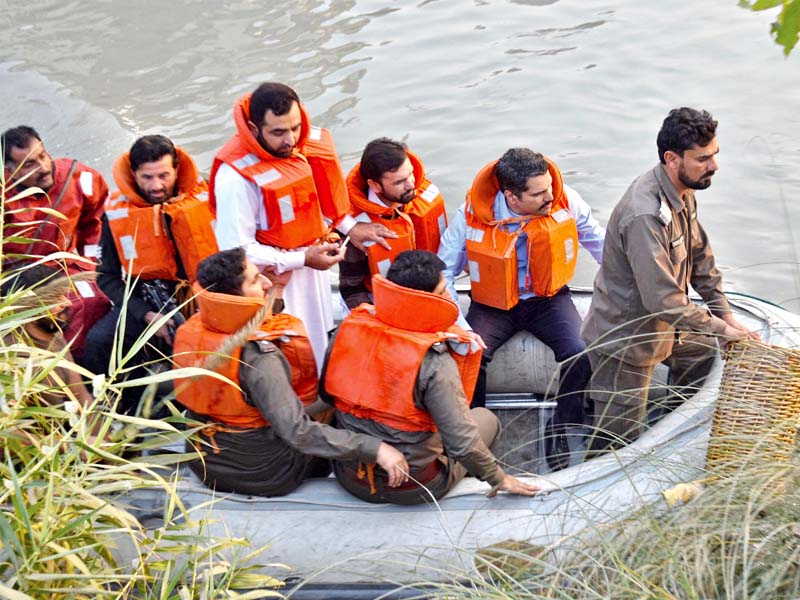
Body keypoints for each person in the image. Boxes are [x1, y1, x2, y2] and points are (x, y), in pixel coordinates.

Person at [581, 107, 758, 454]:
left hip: (667, 330)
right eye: (703, 158)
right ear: (672, 159)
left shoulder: (684, 190)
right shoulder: (644, 214)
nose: (714, 166)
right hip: (626, 343)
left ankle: (668, 433)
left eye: (715, 155)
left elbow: (701, 260)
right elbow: (662, 300)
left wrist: (726, 316)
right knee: (615, 443)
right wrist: (723, 331)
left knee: (703, 352)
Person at [171, 247, 409, 497]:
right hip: (264, 473)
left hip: (206, 462)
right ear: (233, 297)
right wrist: (374, 448)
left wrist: (277, 292)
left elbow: (242, 318)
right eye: (255, 280)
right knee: (342, 405)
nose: (265, 281)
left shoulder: (194, 328)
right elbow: (298, 433)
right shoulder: (259, 359)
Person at [321, 250, 539, 504]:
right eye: (443, 291)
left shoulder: (345, 330)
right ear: (423, 300)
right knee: (486, 419)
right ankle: (471, 492)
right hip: (412, 487)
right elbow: (463, 444)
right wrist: (499, 478)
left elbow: (326, 395)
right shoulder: (434, 361)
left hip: (351, 477)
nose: (449, 298)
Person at [210, 82, 397, 372]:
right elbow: (237, 251)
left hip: (313, 268)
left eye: (295, 128)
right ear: (253, 127)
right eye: (278, 132)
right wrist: (301, 259)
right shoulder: (234, 179)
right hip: (273, 283)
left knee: (318, 341)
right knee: (292, 354)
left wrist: (349, 227)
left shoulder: (298, 145)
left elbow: (315, 196)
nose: (291, 140)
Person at [437, 148, 604, 471]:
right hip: (494, 305)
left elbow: (599, 243)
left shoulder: (564, 200)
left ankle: (561, 424)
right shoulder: (471, 213)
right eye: (539, 193)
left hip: (547, 299)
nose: (550, 197)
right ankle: (475, 432)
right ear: (512, 197)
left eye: (549, 188)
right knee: (469, 354)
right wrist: (460, 325)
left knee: (579, 351)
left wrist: (625, 284)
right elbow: (444, 269)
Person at [83, 135, 217, 413]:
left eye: (163, 175)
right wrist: (146, 314)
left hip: (201, 300)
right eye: (147, 177)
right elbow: (106, 277)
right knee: (99, 342)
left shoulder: (208, 200)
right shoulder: (115, 213)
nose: (156, 186)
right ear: (133, 174)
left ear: (177, 169)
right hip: (147, 303)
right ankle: (126, 412)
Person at [1, 125, 111, 362]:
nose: (42, 167)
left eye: (42, 156)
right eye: (29, 164)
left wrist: (89, 263)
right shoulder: (4, 199)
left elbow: (95, 222)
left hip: (67, 264)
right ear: (10, 171)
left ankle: (92, 365)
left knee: (94, 300)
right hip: (17, 279)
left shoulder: (80, 178)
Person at [339, 137, 448, 309]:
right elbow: (351, 289)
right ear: (375, 186)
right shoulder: (355, 227)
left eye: (410, 174)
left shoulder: (426, 196)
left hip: (433, 292)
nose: (411, 184)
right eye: (399, 182)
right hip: (382, 304)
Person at [1, 264, 94, 407]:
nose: (67, 302)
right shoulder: (13, 359)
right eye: (56, 298)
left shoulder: (53, 334)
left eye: (63, 295)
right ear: (30, 308)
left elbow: (81, 395)